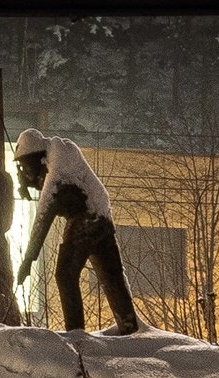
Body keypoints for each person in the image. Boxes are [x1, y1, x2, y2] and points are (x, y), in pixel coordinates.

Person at [13, 129, 138, 334]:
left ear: (39, 158)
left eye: (27, 166)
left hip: (89, 216)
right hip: (99, 214)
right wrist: (26, 183)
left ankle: (76, 332)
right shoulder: (51, 157)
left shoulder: (57, 168)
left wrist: (27, 261)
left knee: (65, 274)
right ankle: (130, 327)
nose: (26, 172)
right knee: (111, 275)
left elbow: (44, 216)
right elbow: (41, 186)